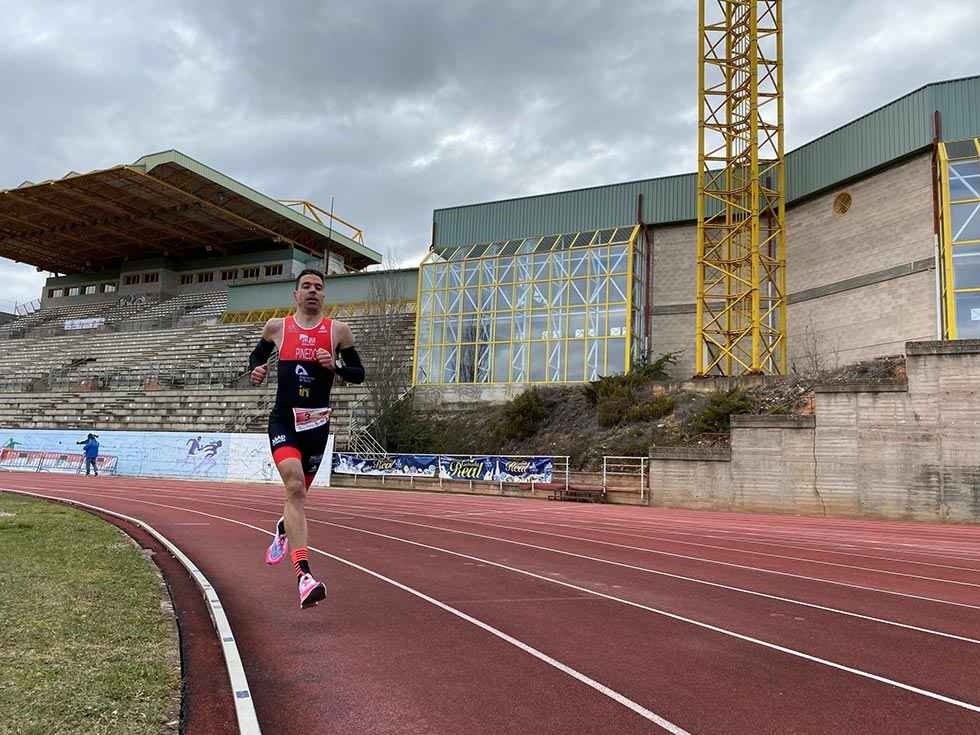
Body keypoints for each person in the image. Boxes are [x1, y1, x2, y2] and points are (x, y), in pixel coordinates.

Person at [248, 268, 365, 608]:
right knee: (295, 487)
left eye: (318, 287)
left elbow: (358, 374)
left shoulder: (338, 332)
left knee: (296, 498)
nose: (312, 291)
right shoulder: (277, 327)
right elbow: (257, 356)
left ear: (324, 295)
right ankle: (304, 577)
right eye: (306, 287)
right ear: (295, 295)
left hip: (316, 426)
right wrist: (257, 368)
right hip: (284, 419)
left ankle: (285, 526)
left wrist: (335, 368)